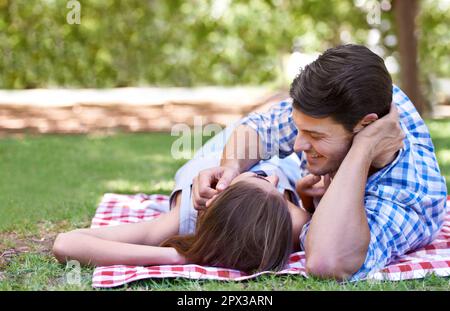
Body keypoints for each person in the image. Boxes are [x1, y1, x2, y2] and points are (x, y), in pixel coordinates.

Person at [192, 44, 448, 281]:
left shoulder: (410, 197)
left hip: (291, 178)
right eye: (299, 130)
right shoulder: (364, 96)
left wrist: (364, 148)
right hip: (286, 175)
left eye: (315, 136)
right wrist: (231, 168)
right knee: (205, 186)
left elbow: (327, 262)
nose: (297, 145)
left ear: (368, 125)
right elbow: (260, 128)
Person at [52, 125, 312, 273]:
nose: (274, 180)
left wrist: (179, 257)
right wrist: (304, 196)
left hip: (217, 154)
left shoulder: (186, 216)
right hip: (282, 156)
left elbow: (67, 243)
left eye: (260, 177)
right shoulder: (293, 221)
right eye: (264, 180)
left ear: (220, 193)